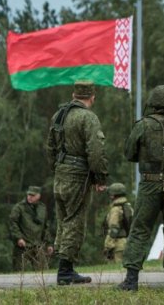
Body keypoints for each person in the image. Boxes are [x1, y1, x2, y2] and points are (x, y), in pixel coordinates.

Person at [119, 85, 164, 292]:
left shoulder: (144, 125)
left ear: (153, 102)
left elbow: (129, 153)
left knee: (141, 229)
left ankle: (131, 280)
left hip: (150, 183)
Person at [46, 80, 108, 285]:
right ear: (92, 97)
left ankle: (66, 267)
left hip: (60, 173)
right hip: (77, 175)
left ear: (74, 95)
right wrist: (100, 177)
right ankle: (65, 271)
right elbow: (96, 150)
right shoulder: (88, 118)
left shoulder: (59, 115)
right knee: (75, 221)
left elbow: (50, 147)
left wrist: (56, 168)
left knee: (63, 219)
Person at [8, 186, 55, 272]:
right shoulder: (19, 207)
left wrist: (49, 244)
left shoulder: (42, 208)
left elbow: (46, 227)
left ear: (38, 196)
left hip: (38, 245)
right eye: (29, 194)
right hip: (23, 246)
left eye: (33, 195)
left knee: (43, 272)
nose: (30, 197)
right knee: (19, 273)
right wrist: (18, 238)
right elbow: (12, 223)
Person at [102, 183, 133, 263]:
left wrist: (108, 246)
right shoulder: (128, 207)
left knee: (117, 270)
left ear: (113, 196)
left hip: (117, 245)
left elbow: (114, 229)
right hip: (127, 242)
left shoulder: (115, 209)